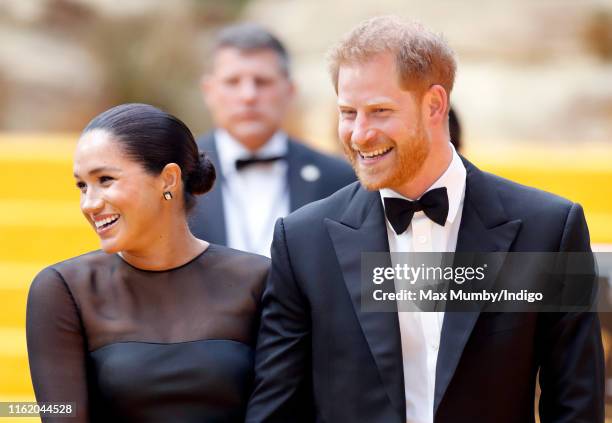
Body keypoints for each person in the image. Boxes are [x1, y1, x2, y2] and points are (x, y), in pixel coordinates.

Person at [246, 16, 604, 423]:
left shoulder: (549, 229)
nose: (359, 134)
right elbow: (276, 410)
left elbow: (577, 403)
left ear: (434, 105)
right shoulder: (302, 241)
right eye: (348, 112)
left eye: (379, 111)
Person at [26, 103, 269, 422]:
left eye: (106, 179)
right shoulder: (63, 290)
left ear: (168, 179)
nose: (90, 203)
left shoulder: (259, 279)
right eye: (82, 185)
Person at [190, 23, 356, 256]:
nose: (248, 96)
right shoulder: (178, 174)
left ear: (289, 90)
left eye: (262, 81)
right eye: (232, 82)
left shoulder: (341, 178)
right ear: (208, 91)